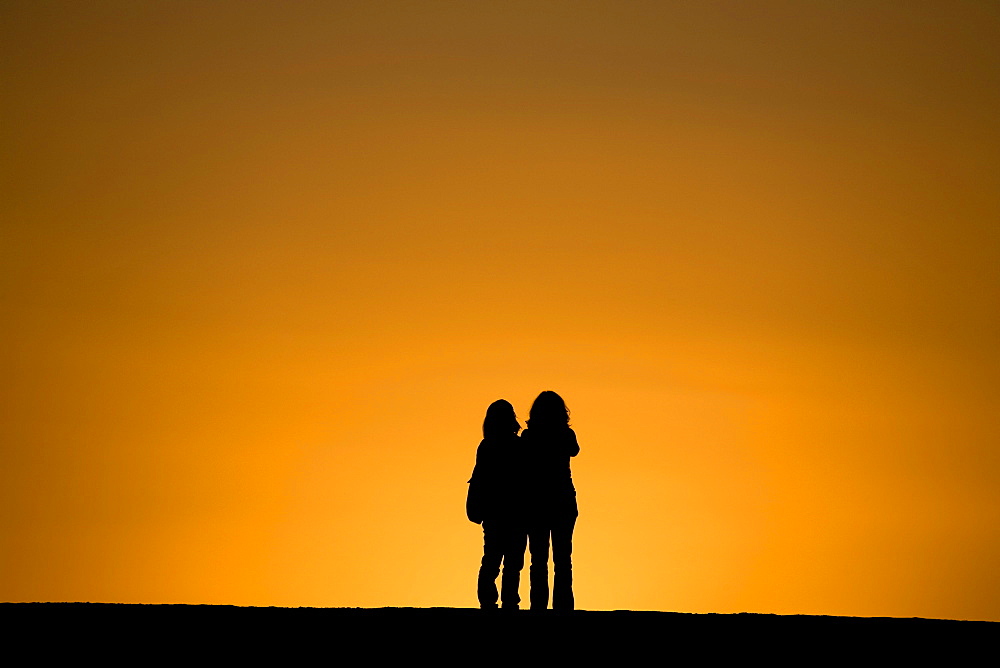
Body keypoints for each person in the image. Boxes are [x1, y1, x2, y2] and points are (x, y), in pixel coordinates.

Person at [521, 390, 579, 611]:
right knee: (563, 559)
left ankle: (538, 607)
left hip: (536, 501)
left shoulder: (529, 436)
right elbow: (575, 451)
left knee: (538, 560)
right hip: (563, 498)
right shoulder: (566, 434)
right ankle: (563, 607)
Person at [466, 399, 526, 610]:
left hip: (493, 512)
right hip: (516, 512)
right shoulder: (519, 446)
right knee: (512, 560)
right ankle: (510, 600)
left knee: (491, 556)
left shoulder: (486, 446)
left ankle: (488, 600)